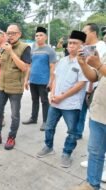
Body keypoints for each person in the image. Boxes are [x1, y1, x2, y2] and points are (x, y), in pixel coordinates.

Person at [36, 31, 88, 168]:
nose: (71, 45)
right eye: (70, 43)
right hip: (55, 102)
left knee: (72, 131)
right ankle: (48, 147)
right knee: (49, 126)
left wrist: (62, 97)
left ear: (82, 45)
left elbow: (81, 84)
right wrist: (52, 94)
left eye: (75, 43)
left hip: (71, 105)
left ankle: (67, 153)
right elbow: (56, 78)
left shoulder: (84, 63)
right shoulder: (63, 61)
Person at [0, 23, 31, 150]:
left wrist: (11, 52)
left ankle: (11, 137)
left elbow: (24, 67)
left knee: (15, 115)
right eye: (8, 33)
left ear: (19, 34)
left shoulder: (25, 48)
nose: (10, 36)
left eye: (13, 33)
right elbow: (0, 65)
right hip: (2, 86)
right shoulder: (3, 47)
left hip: (15, 88)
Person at [72, 43, 106, 190]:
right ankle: (92, 185)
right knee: (95, 152)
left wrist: (98, 65)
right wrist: (84, 65)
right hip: (99, 113)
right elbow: (94, 77)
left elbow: (100, 68)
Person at [22, 27, 56, 131]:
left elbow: (52, 67)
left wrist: (51, 81)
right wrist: (26, 80)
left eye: (41, 35)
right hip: (33, 80)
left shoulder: (49, 50)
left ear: (45, 37)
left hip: (44, 81)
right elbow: (30, 66)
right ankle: (33, 118)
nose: (38, 37)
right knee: (34, 100)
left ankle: (46, 121)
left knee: (45, 101)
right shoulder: (33, 50)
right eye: (36, 35)